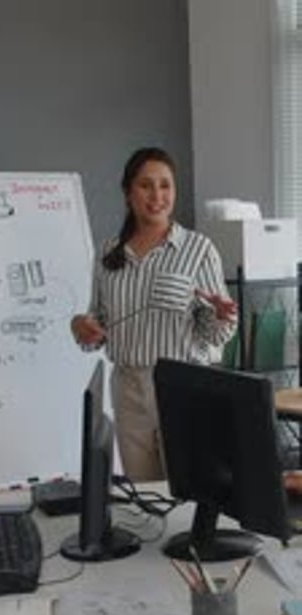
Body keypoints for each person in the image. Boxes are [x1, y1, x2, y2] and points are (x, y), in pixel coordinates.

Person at [71, 146, 237, 482]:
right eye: (146, 185)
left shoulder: (198, 249)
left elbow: (214, 335)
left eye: (165, 185)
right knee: (143, 491)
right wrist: (80, 326)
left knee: (187, 489)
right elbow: (97, 325)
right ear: (128, 192)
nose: (157, 196)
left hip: (183, 385)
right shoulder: (107, 253)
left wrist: (222, 315)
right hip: (128, 387)